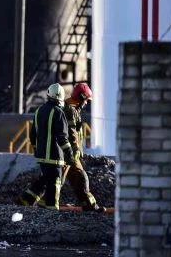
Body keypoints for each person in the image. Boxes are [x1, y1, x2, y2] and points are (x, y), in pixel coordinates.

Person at [18, 83, 73, 210]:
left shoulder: (39, 111)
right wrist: (69, 152)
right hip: (54, 157)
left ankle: (26, 200)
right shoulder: (59, 113)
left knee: (45, 180)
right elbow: (62, 137)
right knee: (55, 183)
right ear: (61, 99)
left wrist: (37, 150)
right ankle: (51, 209)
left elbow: (32, 135)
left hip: (42, 157)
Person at [63, 82, 106, 212]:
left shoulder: (70, 108)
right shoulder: (70, 110)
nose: (87, 103)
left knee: (68, 179)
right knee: (81, 177)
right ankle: (91, 206)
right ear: (81, 97)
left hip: (66, 151)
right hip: (68, 151)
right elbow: (72, 133)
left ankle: (88, 204)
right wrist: (75, 149)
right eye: (86, 100)